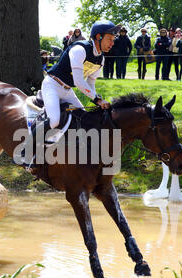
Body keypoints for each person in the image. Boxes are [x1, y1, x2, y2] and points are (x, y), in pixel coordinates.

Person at [21, 21, 121, 168]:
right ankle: (25, 152)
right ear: (98, 37)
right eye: (109, 39)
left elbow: (90, 83)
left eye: (113, 40)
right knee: (54, 120)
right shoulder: (80, 49)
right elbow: (79, 80)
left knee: (85, 118)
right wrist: (98, 100)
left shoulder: (101, 59)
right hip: (52, 85)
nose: (112, 43)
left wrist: (97, 100)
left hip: (67, 90)